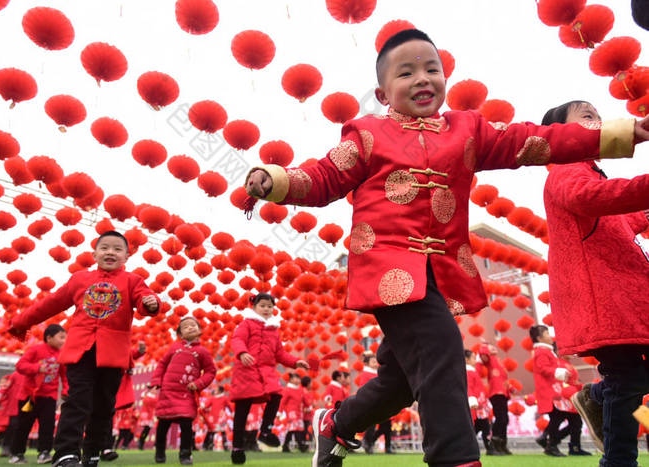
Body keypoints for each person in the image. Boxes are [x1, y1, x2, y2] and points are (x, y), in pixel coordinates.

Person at [244, 27, 649, 467]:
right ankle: (456, 459)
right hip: (389, 272)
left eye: (431, 69)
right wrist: (279, 180)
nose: (422, 78)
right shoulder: (365, 135)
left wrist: (621, 133)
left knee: (401, 381)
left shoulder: (468, 130)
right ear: (383, 94)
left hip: (441, 271)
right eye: (406, 72)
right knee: (441, 351)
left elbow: (535, 140)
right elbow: (324, 177)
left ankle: (337, 425)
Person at [541, 99, 649, 467]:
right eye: (587, 116)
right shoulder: (566, 169)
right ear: (563, 135)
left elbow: (625, 218)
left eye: (598, 116)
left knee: (629, 378)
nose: (598, 121)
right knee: (628, 377)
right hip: (602, 300)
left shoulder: (591, 172)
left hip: (624, 296)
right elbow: (589, 198)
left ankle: (598, 395)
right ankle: (618, 460)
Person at [9, 230, 161, 467]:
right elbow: (51, 303)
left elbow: (145, 298)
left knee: (103, 407)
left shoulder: (133, 281)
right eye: (105, 247)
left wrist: (151, 303)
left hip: (113, 355)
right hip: (80, 352)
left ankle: (92, 453)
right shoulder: (79, 279)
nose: (110, 252)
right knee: (77, 402)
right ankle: (65, 455)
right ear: (94, 253)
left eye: (117, 249)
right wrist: (21, 322)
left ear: (126, 257)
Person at [229, 293, 309, 465]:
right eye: (263, 305)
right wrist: (242, 352)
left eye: (269, 306)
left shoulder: (274, 330)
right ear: (254, 307)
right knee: (242, 411)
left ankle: (265, 431)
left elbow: (280, 353)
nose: (266, 309)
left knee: (277, 395)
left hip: (266, 372)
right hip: (246, 371)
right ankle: (237, 448)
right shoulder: (246, 324)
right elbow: (237, 339)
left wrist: (296, 362)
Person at [149, 316, 216, 465]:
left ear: (199, 331)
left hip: (187, 393)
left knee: (186, 424)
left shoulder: (203, 352)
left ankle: (185, 455)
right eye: (186, 327)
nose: (190, 328)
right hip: (168, 391)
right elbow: (162, 365)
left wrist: (198, 383)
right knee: (163, 424)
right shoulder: (174, 348)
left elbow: (211, 371)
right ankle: (160, 453)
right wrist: (156, 382)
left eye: (193, 325)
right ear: (180, 334)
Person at [9, 324, 68, 465]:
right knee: (24, 425)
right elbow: (20, 366)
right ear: (49, 337)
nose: (64, 341)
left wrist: (65, 391)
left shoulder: (62, 355)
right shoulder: (35, 349)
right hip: (29, 396)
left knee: (47, 426)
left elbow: (65, 376)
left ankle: (44, 453)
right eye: (61, 337)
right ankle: (17, 454)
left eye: (65, 338)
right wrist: (37, 368)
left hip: (49, 396)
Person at [529, 325, 572, 457]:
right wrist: (557, 371)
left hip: (553, 389)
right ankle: (551, 444)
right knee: (558, 416)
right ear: (539, 337)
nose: (550, 335)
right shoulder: (542, 351)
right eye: (547, 333)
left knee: (558, 417)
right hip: (549, 390)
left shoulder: (546, 351)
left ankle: (546, 439)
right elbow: (543, 369)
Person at [478, 344, 512, 454]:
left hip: (503, 392)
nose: (494, 348)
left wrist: (510, 388)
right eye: (491, 347)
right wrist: (484, 346)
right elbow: (483, 354)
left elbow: (503, 378)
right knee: (501, 418)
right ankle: (494, 443)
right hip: (496, 392)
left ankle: (502, 443)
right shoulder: (489, 359)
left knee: (504, 419)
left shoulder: (498, 361)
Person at [555, 353, 592, 455]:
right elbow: (561, 382)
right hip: (567, 397)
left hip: (572, 395)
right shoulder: (560, 364)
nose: (571, 353)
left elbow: (573, 381)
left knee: (574, 423)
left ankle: (554, 440)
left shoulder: (567, 363)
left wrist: (581, 387)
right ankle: (554, 440)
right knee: (575, 423)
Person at [358, 354, 393, 454]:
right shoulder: (366, 374)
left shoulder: (378, 373)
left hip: (383, 403)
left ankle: (382, 445)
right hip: (373, 403)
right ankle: (368, 442)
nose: (375, 364)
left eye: (375, 361)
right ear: (367, 363)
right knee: (372, 426)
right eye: (373, 362)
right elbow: (363, 388)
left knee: (386, 426)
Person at [464, 350, 496, 456]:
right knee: (484, 426)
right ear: (466, 360)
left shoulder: (472, 371)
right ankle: (489, 448)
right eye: (473, 358)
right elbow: (469, 387)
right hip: (477, 405)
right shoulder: (468, 372)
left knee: (478, 427)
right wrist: (472, 399)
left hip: (480, 404)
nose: (475, 360)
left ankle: (470, 446)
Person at [280, 373, 308, 453]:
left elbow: (304, 399)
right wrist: (280, 412)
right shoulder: (287, 389)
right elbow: (282, 402)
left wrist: (309, 406)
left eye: (299, 379)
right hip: (291, 412)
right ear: (291, 380)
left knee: (292, 430)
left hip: (299, 412)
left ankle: (285, 446)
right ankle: (301, 446)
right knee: (295, 429)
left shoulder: (300, 389)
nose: (297, 380)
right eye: (296, 378)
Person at [201, 386, 231, 451]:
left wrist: (233, 411)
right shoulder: (212, 398)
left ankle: (225, 445)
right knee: (211, 432)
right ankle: (207, 445)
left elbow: (230, 405)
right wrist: (202, 405)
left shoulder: (225, 398)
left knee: (223, 432)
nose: (214, 391)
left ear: (220, 391)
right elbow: (206, 405)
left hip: (221, 418)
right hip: (213, 418)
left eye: (216, 390)